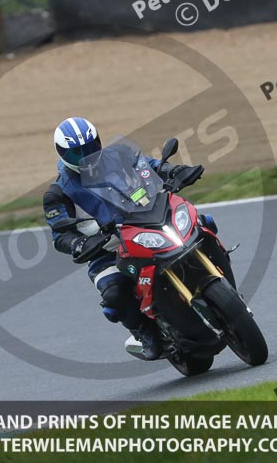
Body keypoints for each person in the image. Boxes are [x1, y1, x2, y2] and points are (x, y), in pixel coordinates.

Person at [43, 117, 202, 360]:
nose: (86, 156)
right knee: (114, 294)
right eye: (77, 153)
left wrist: (173, 171)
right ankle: (145, 332)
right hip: (107, 250)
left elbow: (149, 167)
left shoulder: (119, 155)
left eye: (90, 147)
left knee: (202, 224)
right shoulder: (58, 193)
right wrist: (79, 243)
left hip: (149, 223)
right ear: (62, 153)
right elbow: (60, 234)